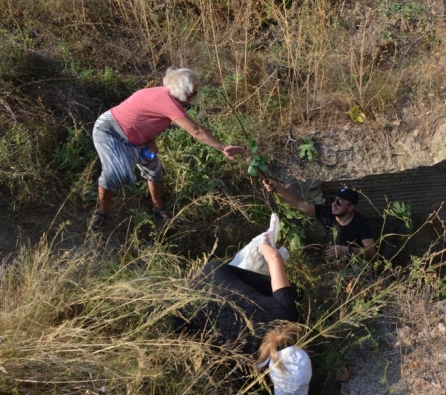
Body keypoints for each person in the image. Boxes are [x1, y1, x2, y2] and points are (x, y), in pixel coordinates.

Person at [90, 68, 245, 230]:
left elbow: (144, 118)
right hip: (111, 132)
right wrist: (222, 147)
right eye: (192, 93)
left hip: (137, 138)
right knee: (116, 172)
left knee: (154, 169)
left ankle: (157, 208)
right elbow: (196, 131)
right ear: (182, 90)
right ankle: (102, 211)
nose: (193, 98)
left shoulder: (163, 95)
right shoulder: (167, 101)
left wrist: (151, 141)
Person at [178, 243, 311, 394]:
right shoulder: (243, 366)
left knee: (295, 292)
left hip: (213, 271)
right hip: (185, 304)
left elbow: (274, 257)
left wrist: (263, 243)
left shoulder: (288, 315)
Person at [263, 179, 377, 260]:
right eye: (334, 199)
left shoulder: (361, 223)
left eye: (340, 202)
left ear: (351, 207)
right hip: (332, 267)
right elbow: (298, 204)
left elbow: (371, 252)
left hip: (355, 268)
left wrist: (345, 250)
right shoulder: (326, 213)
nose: (334, 204)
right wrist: (277, 187)